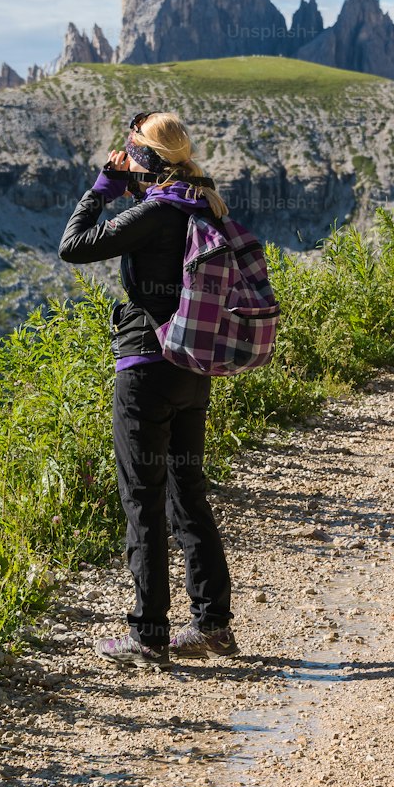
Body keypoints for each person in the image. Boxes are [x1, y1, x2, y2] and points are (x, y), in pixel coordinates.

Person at [58, 111, 237, 669]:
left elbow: (75, 245)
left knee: (142, 497)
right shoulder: (200, 201)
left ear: (143, 159)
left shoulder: (156, 210)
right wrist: (137, 176)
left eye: (130, 150)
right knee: (188, 491)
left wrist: (103, 187)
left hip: (145, 366)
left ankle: (149, 632)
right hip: (193, 366)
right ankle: (212, 624)